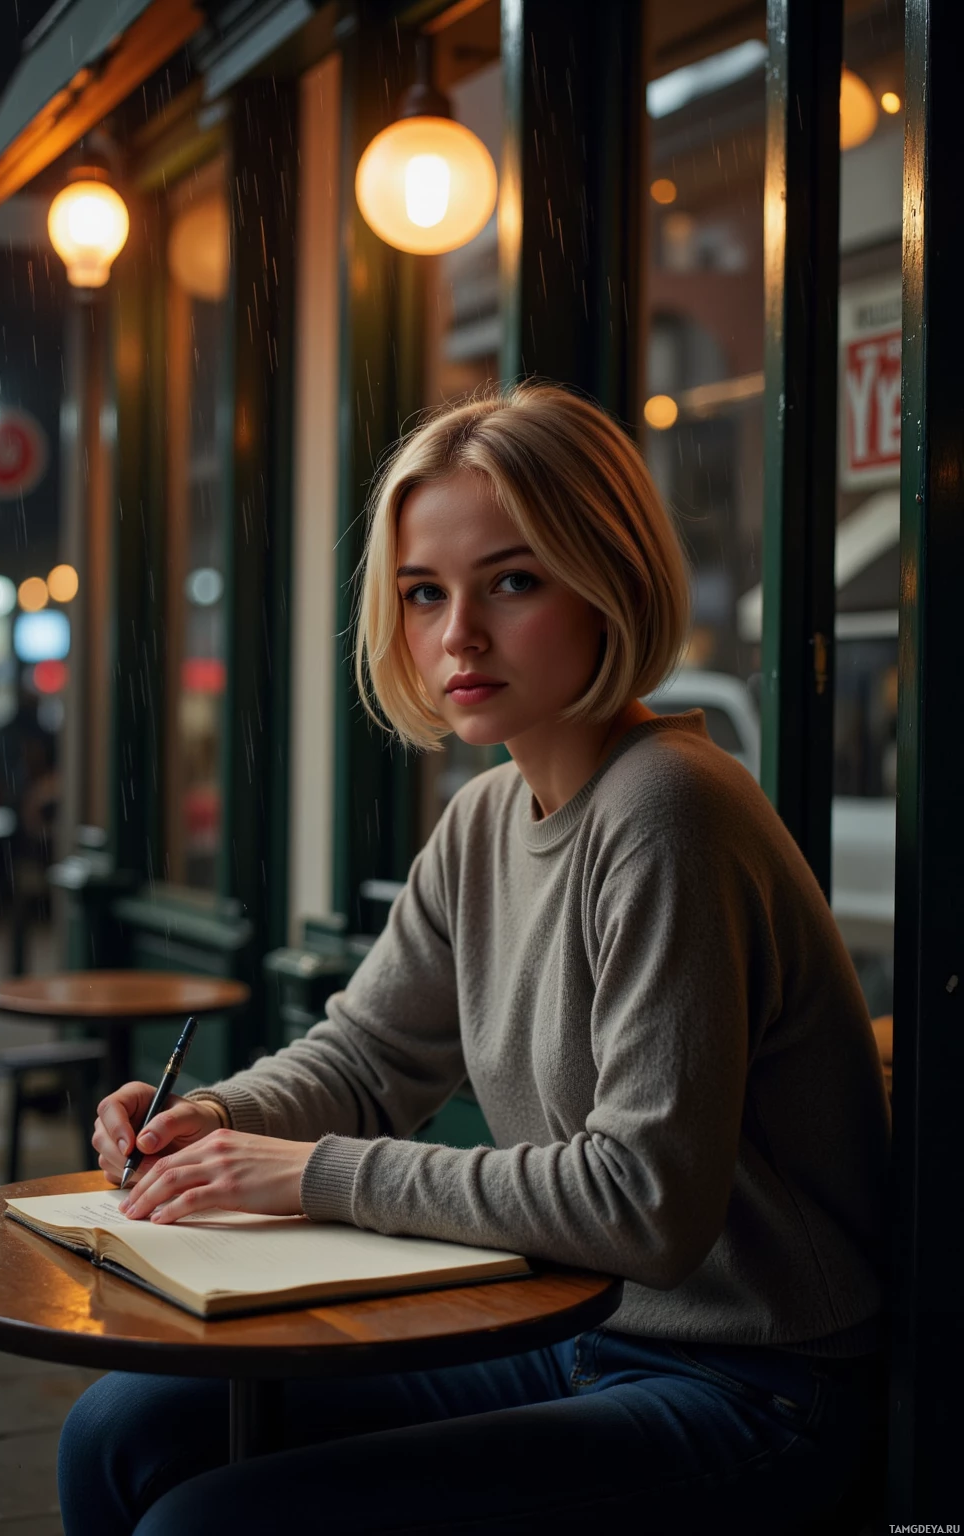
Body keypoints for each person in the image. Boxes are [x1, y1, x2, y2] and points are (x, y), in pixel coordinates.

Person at [59, 383, 891, 1536]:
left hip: (757, 1385)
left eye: (511, 580)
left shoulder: (670, 811)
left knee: (212, 1521)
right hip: (573, 1332)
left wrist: (302, 1173)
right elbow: (366, 1055)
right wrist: (209, 1116)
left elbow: (642, 1202)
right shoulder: (488, 815)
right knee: (119, 1433)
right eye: (422, 593)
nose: (458, 636)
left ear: (609, 580)